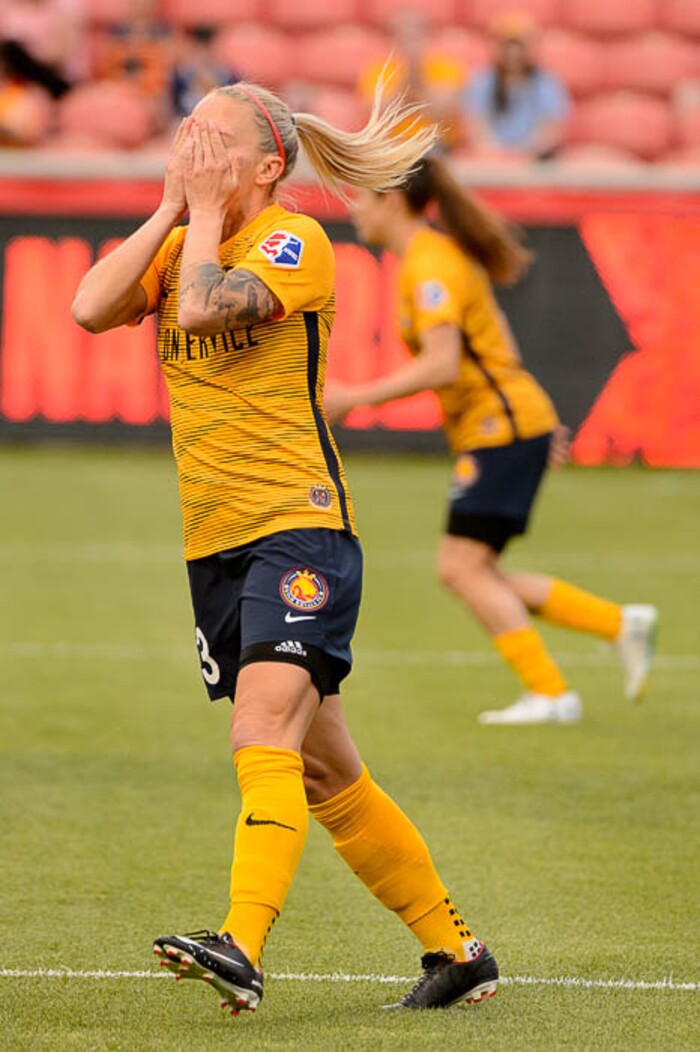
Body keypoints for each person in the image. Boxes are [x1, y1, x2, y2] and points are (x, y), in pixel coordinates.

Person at [71, 83, 499, 1014]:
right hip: (216, 544)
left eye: (212, 138)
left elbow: (198, 314)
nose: (191, 145)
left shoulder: (291, 243)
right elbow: (90, 307)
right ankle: (456, 953)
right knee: (325, 769)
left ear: (269, 167)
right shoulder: (187, 237)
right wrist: (168, 210)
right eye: (187, 131)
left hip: (296, 526)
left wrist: (208, 215)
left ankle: (242, 944)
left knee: (260, 730)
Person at [325, 155, 658, 726]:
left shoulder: (429, 267)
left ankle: (553, 693)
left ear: (393, 201)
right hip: (508, 423)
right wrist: (531, 419)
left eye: (364, 196)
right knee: (479, 572)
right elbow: (497, 340)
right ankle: (616, 625)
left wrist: (355, 397)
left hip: (499, 427)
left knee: (461, 569)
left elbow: (443, 363)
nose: (356, 208)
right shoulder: (434, 259)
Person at [462, 13, 570, 161]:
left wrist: (525, 153)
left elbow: (551, 129)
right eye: (507, 46)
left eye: (519, 47)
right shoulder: (482, 80)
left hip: (532, 161)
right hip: (490, 160)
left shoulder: (546, 82)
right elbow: (476, 126)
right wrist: (495, 153)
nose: (513, 54)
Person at [358, 8, 465, 153]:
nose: (408, 43)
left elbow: (440, 111)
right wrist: (407, 75)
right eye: (402, 37)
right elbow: (380, 113)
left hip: (434, 145)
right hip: (391, 144)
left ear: (427, 37)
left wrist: (416, 73)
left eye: (415, 36)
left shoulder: (447, 67)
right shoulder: (377, 70)